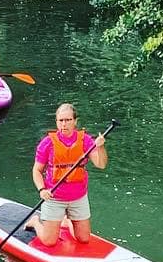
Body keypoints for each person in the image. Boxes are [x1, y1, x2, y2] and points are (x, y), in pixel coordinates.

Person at [32, 103, 107, 246]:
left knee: (84, 239)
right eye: (61, 121)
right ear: (56, 122)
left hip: (78, 196)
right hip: (54, 197)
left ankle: (67, 220)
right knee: (49, 242)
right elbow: (37, 170)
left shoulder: (86, 141)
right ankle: (36, 221)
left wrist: (101, 147)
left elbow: (101, 164)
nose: (64, 124)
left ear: (75, 121)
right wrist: (42, 190)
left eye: (68, 120)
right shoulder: (47, 143)